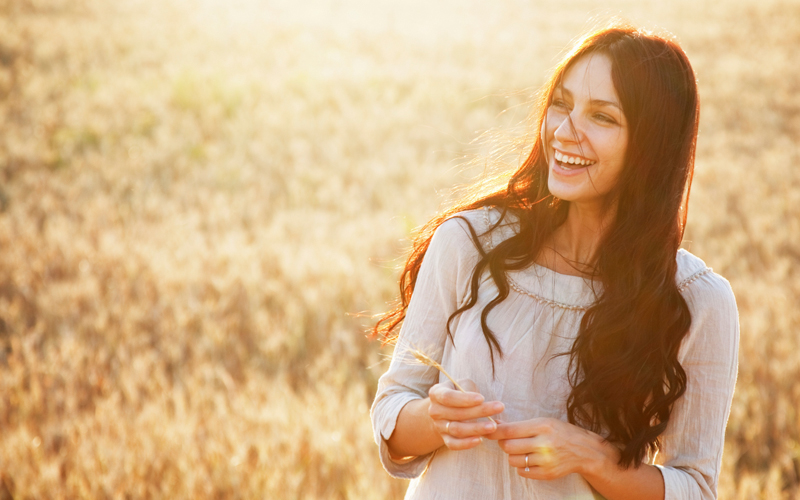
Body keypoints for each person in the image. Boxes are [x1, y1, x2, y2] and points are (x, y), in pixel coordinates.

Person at [370, 22, 739, 500]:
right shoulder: (467, 243)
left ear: (652, 144)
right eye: (561, 104)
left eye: (602, 117)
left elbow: (695, 488)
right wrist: (435, 420)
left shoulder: (696, 301)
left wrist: (591, 458)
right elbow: (392, 413)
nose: (565, 132)